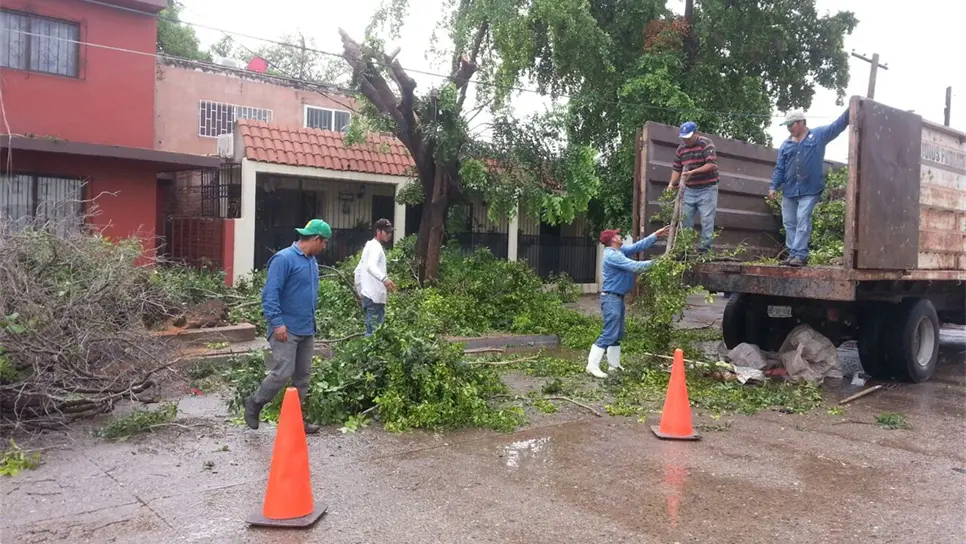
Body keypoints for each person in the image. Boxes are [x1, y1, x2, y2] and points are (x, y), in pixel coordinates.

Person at [244, 219, 331, 434]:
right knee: (283, 372)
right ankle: (255, 402)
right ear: (316, 239)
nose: (325, 247)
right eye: (325, 242)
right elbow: (270, 293)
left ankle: (294, 422)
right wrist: (277, 323)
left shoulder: (311, 261)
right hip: (286, 329)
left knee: (302, 376)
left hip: (306, 328)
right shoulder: (284, 259)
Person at [586, 226, 670, 378]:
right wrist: (660, 262)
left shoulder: (620, 250)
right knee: (609, 332)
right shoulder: (613, 255)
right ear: (613, 239)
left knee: (617, 333)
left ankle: (614, 365)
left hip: (617, 297)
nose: (620, 236)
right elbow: (636, 266)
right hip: (611, 298)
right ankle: (592, 365)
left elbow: (638, 246)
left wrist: (655, 235)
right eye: (617, 235)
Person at [769, 108, 849, 267]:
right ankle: (793, 254)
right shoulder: (786, 145)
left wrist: (851, 109)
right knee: (789, 222)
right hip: (790, 189)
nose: (789, 128)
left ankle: (800, 255)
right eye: (787, 125)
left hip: (810, 189)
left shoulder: (818, 135)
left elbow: (837, 126)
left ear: (801, 122)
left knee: (802, 219)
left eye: (791, 124)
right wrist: (773, 186)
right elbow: (780, 168)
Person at [667, 121, 719, 254]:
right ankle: (684, 251)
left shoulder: (706, 144)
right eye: (684, 137)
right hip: (689, 189)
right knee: (685, 220)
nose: (686, 140)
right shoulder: (681, 149)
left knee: (707, 220)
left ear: (696, 133)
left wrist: (693, 172)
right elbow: (676, 168)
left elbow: (711, 165)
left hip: (707, 188)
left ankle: (704, 251)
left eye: (688, 137)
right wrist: (672, 184)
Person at [354, 218, 397, 336]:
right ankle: (367, 355)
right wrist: (385, 279)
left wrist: (361, 293)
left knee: (372, 332)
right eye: (386, 232)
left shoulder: (369, 246)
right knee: (374, 335)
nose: (389, 235)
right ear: (378, 231)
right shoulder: (375, 247)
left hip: (370, 296)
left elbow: (358, 272)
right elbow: (370, 266)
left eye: (390, 232)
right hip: (375, 297)